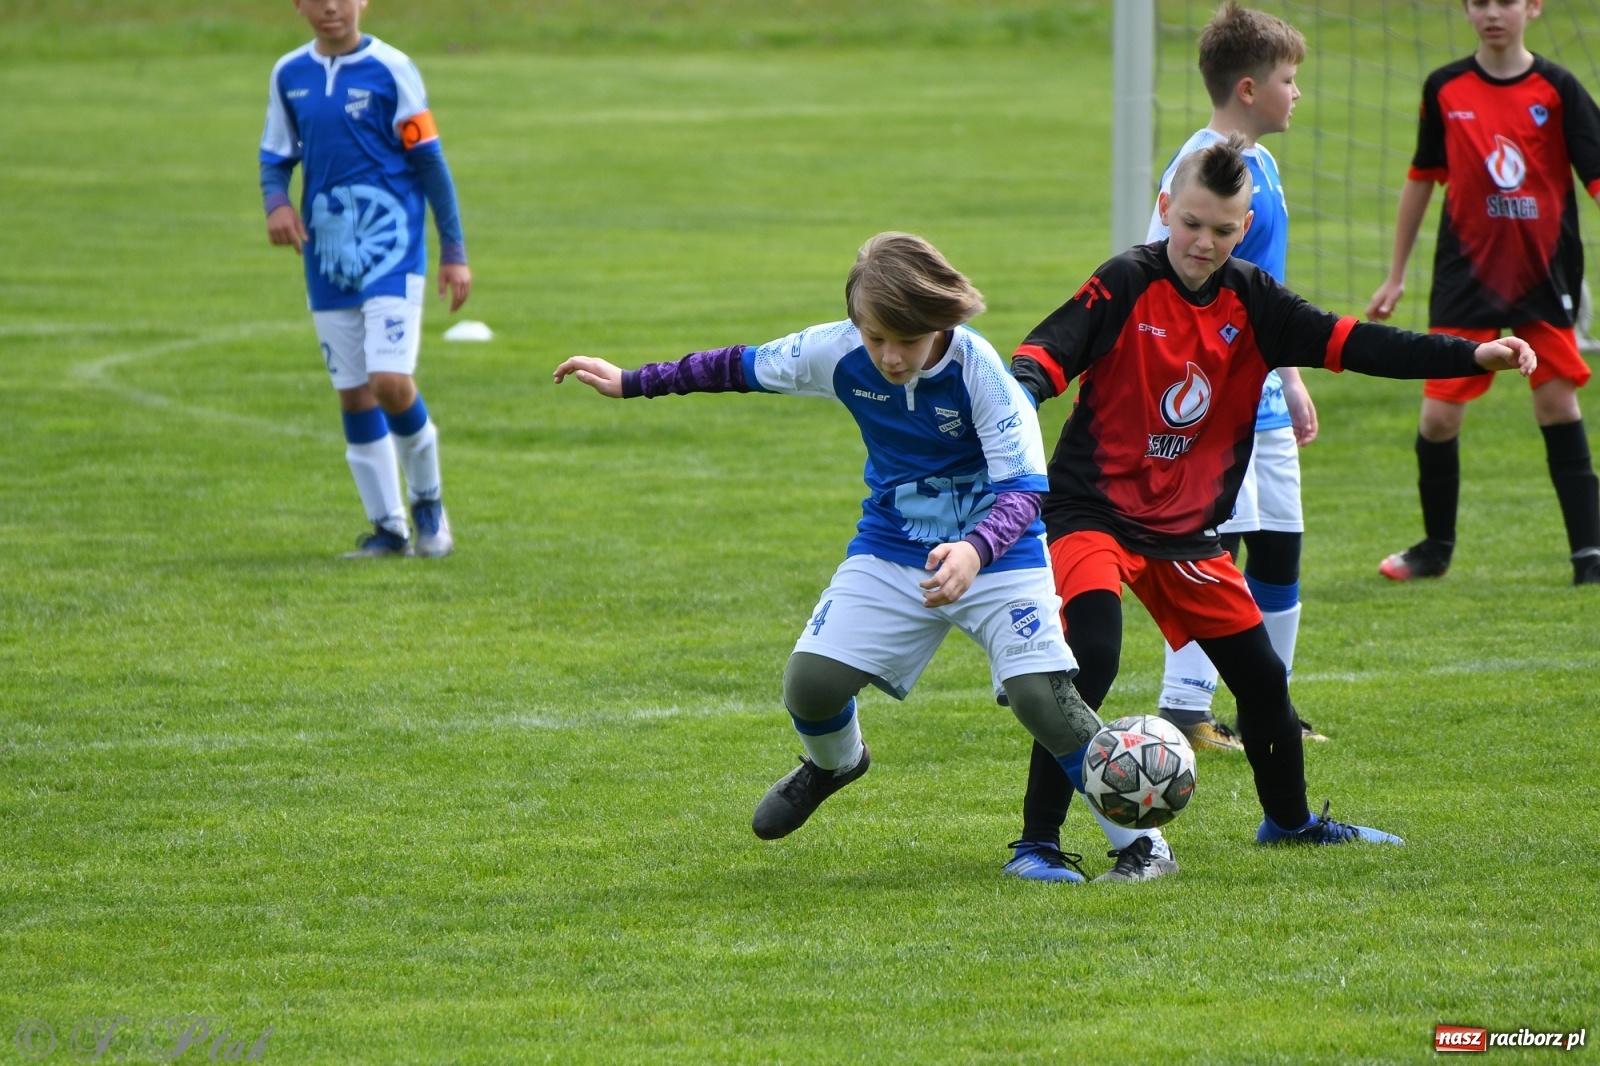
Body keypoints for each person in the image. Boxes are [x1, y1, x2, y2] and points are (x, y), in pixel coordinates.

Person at [1002, 136, 1534, 874]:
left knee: (1261, 679)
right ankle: (1037, 844)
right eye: (1190, 224)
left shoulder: (1255, 299)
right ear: (1165, 210)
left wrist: (1469, 354)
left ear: (1244, 227)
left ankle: (1288, 823)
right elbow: (1047, 352)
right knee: (1089, 653)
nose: (1203, 241)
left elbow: (1356, 342)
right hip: (1092, 511)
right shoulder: (1125, 280)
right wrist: (1018, 390)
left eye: (1222, 229)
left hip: (1187, 531)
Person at [555, 233, 1158, 883]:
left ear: (940, 323)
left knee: (1041, 697)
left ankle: (1142, 844)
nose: (891, 356)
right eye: (876, 338)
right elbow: (738, 365)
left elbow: (1024, 494)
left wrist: (974, 552)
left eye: (908, 339)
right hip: (894, 547)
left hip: (999, 553)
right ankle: (837, 763)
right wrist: (632, 382)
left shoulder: (983, 374)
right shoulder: (837, 350)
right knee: (809, 685)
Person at [1367, 0, 1600, 586]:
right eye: (1479, 2)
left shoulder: (1559, 88)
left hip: (1543, 277)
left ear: (1534, 8)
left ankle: (1590, 556)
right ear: (1467, 11)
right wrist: (1395, 275)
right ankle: (1436, 548)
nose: (1493, 12)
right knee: (1440, 417)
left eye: (1507, 1)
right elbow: (1421, 180)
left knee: (1557, 405)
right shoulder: (1444, 88)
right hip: (1465, 278)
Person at [260, 0, 471, 558]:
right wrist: (276, 202)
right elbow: (275, 155)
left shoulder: (392, 68)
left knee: (389, 382)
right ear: (299, 5)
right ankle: (389, 529)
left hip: (393, 254)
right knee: (353, 394)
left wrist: (453, 249)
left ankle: (428, 504)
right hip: (325, 258)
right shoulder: (289, 74)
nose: (331, 6)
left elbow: (431, 162)